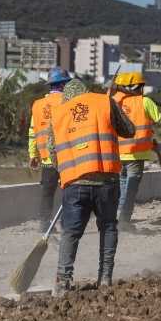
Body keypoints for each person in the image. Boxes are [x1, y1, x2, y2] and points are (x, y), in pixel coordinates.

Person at [47, 78, 134, 296]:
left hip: (75, 183)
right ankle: (105, 278)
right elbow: (129, 130)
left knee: (71, 232)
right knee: (108, 227)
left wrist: (66, 172)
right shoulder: (104, 102)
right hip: (107, 181)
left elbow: (52, 151)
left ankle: (63, 281)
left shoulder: (58, 113)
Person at [111, 72, 161, 231]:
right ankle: (123, 221)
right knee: (130, 190)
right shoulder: (145, 101)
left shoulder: (114, 102)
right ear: (138, 87)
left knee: (123, 186)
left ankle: (118, 218)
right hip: (136, 155)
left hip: (117, 154)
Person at [28, 67, 71, 233]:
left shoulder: (38, 105)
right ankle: (66, 224)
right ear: (63, 84)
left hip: (46, 159)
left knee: (47, 193)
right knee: (69, 193)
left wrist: (33, 154)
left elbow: (32, 131)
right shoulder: (69, 102)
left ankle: (44, 224)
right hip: (66, 158)